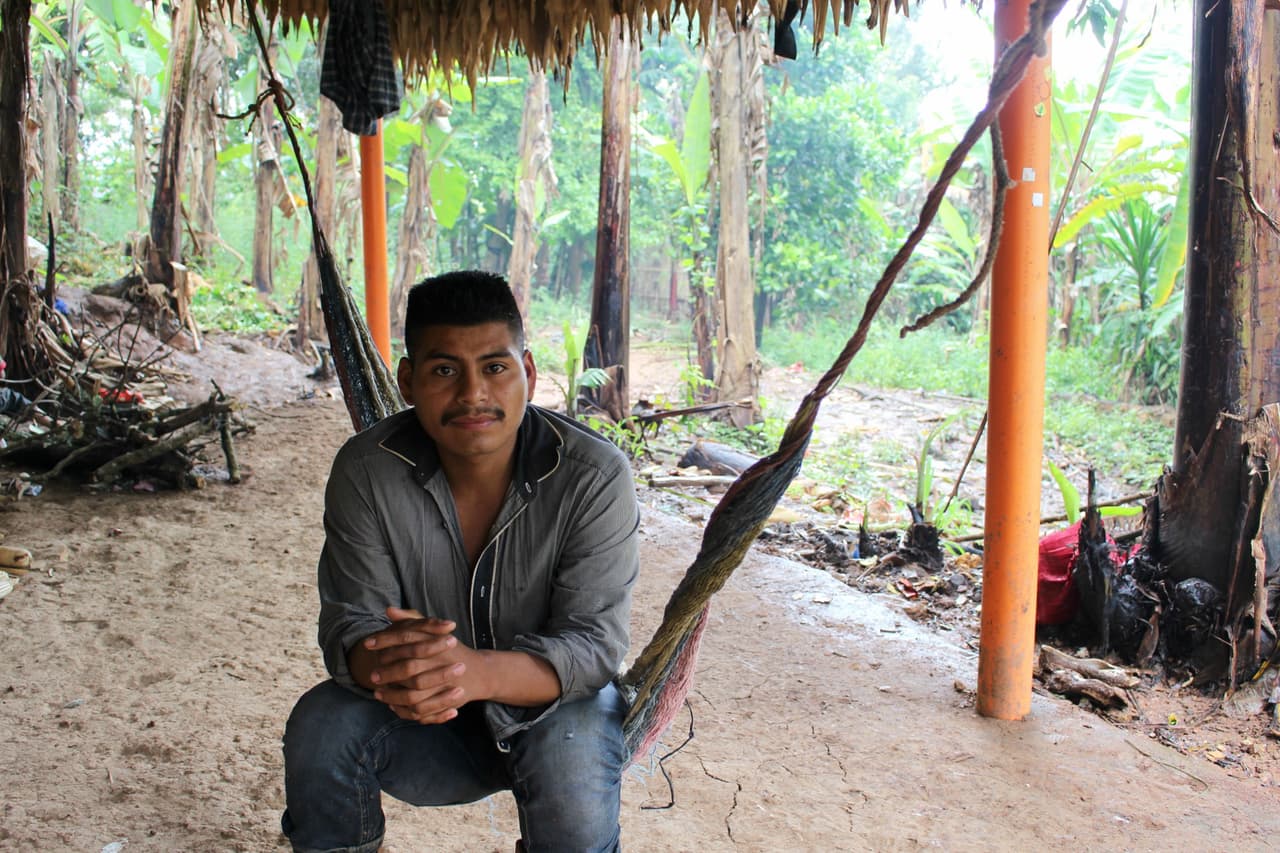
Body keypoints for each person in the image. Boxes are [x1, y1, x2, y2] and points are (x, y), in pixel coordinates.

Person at [281, 271, 640, 853]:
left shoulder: (593, 477)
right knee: (321, 728)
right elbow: (353, 627)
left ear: (528, 373)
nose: (473, 393)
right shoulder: (367, 471)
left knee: (574, 791)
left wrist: (469, 671)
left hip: (557, 710)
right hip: (416, 717)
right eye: (445, 371)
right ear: (407, 381)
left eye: (495, 367)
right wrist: (401, 665)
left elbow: (593, 646)